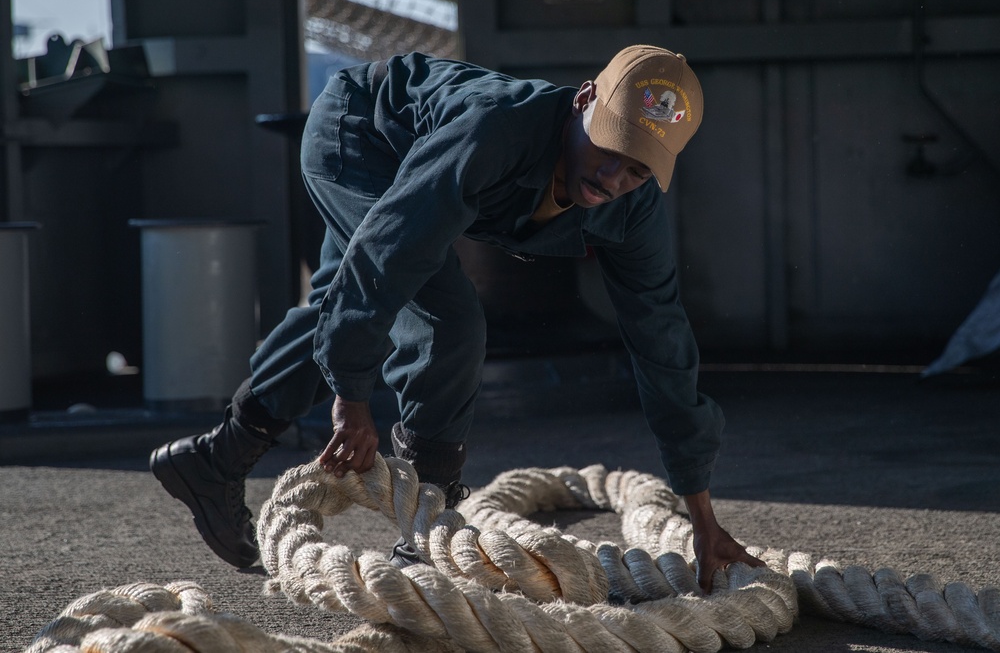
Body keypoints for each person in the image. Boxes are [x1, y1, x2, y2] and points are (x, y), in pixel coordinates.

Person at [149, 44, 764, 592]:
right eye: (608, 147)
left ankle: (215, 458)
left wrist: (702, 519)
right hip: (362, 136)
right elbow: (391, 253)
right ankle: (423, 532)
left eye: (636, 169)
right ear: (582, 101)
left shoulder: (634, 210)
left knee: (351, 300)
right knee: (446, 317)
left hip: (419, 170)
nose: (612, 177)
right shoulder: (496, 130)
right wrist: (352, 399)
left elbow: (664, 346)